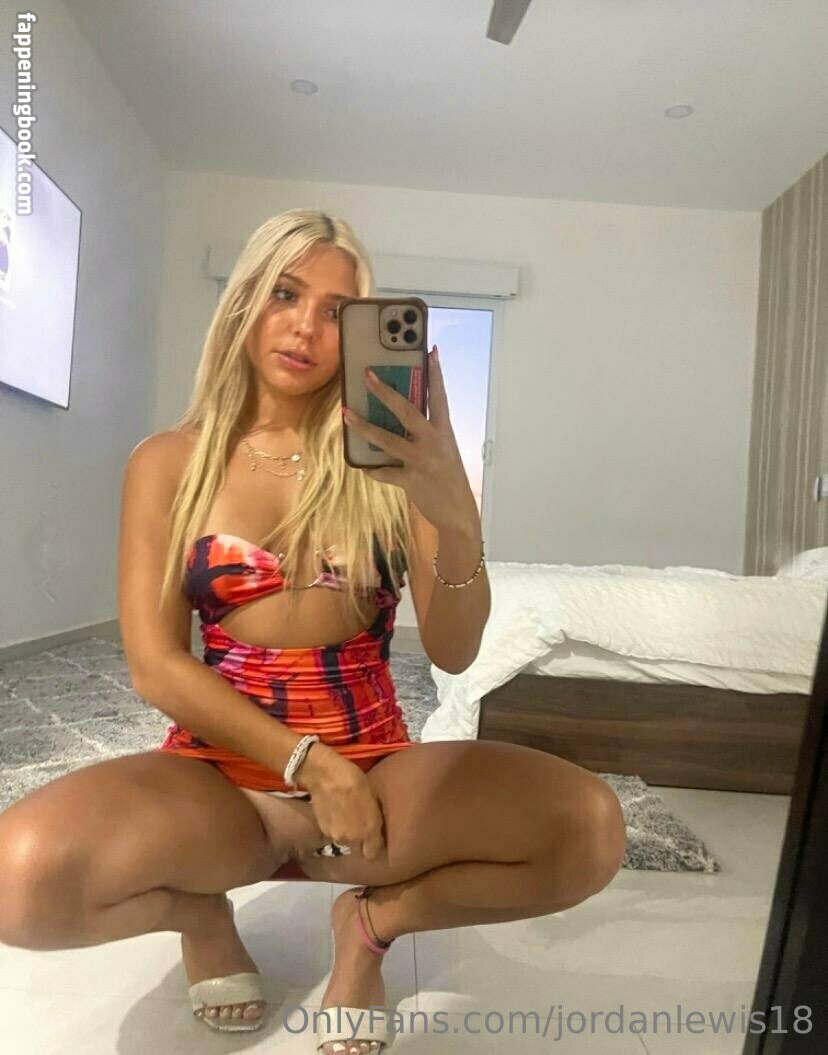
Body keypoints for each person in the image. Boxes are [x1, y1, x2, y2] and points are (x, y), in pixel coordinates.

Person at [0, 209, 627, 1052]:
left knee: (588, 831)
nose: (306, 326)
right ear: (245, 300)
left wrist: (457, 520)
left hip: (375, 779)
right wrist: (308, 764)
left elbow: (454, 650)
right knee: (18, 880)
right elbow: (156, 665)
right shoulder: (168, 461)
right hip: (218, 782)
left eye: (338, 312)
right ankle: (201, 916)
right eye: (286, 293)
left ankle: (369, 928)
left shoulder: (395, 466)